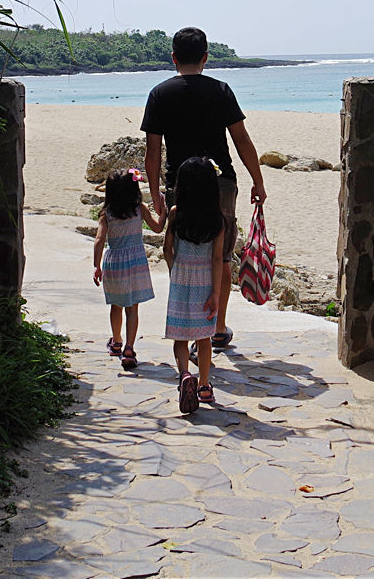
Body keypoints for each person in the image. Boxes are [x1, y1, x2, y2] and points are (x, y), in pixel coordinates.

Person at [142, 26, 267, 352]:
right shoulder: (221, 90)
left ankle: (193, 322)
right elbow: (242, 140)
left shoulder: (159, 94)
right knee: (221, 255)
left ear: (173, 58)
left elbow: (152, 151)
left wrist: (156, 193)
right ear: (205, 57)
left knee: (184, 255)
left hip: (180, 186)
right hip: (220, 183)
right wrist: (258, 180)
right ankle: (217, 326)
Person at [162, 156, 229, 412]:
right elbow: (216, 258)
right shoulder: (218, 221)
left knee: (180, 336)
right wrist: (214, 293)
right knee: (203, 338)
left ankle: (183, 376)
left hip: (181, 278)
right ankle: (203, 384)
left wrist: (174, 269)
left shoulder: (176, 213)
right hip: (204, 281)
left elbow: (167, 248)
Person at [92, 168, 164, 371]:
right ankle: (129, 349)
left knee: (116, 305)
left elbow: (99, 241)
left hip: (114, 263)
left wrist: (97, 266)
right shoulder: (139, 209)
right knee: (132, 308)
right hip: (136, 263)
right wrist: (165, 212)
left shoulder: (107, 214)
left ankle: (116, 341)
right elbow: (157, 228)